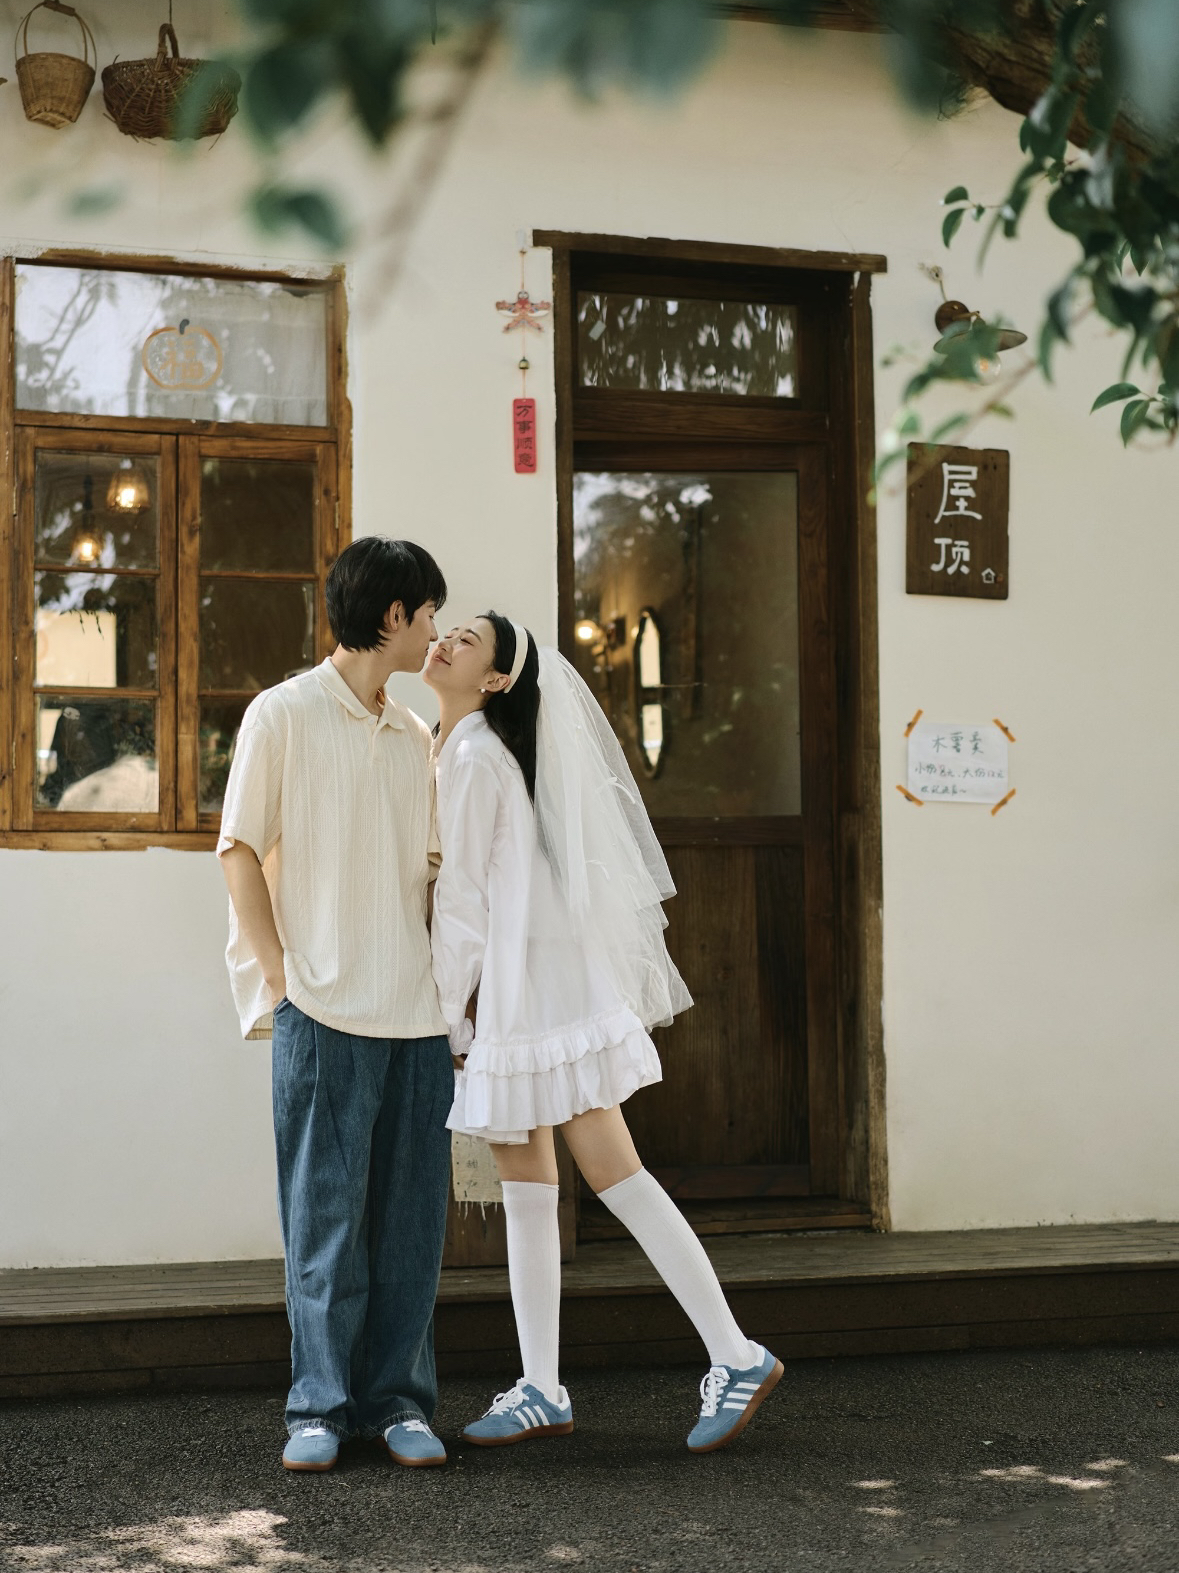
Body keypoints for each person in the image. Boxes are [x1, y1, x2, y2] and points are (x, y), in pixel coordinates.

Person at [427, 612, 783, 1454]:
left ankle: (734, 1353)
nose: (445, 642)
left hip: (527, 993)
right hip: (535, 985)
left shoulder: (473, 752)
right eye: (450, 632)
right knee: (532, 1180)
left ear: (495, 679)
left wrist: (443, 1012)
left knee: (608, 1174)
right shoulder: (477, 746)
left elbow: (464, 897)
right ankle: (543, 1385)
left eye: (467, 641)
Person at [218, 537, 454, 1473]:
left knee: (411, 1228)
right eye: (428, 613)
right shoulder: (281, 713)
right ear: (392, 616)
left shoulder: (417, 736)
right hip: (321, 1012)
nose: (435, 631)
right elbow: (238, 847)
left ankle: (397, 1402)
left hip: (417, 1017)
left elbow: (432, 882)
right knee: (324, 1222)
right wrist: (283, 981)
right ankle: (317, 1405)